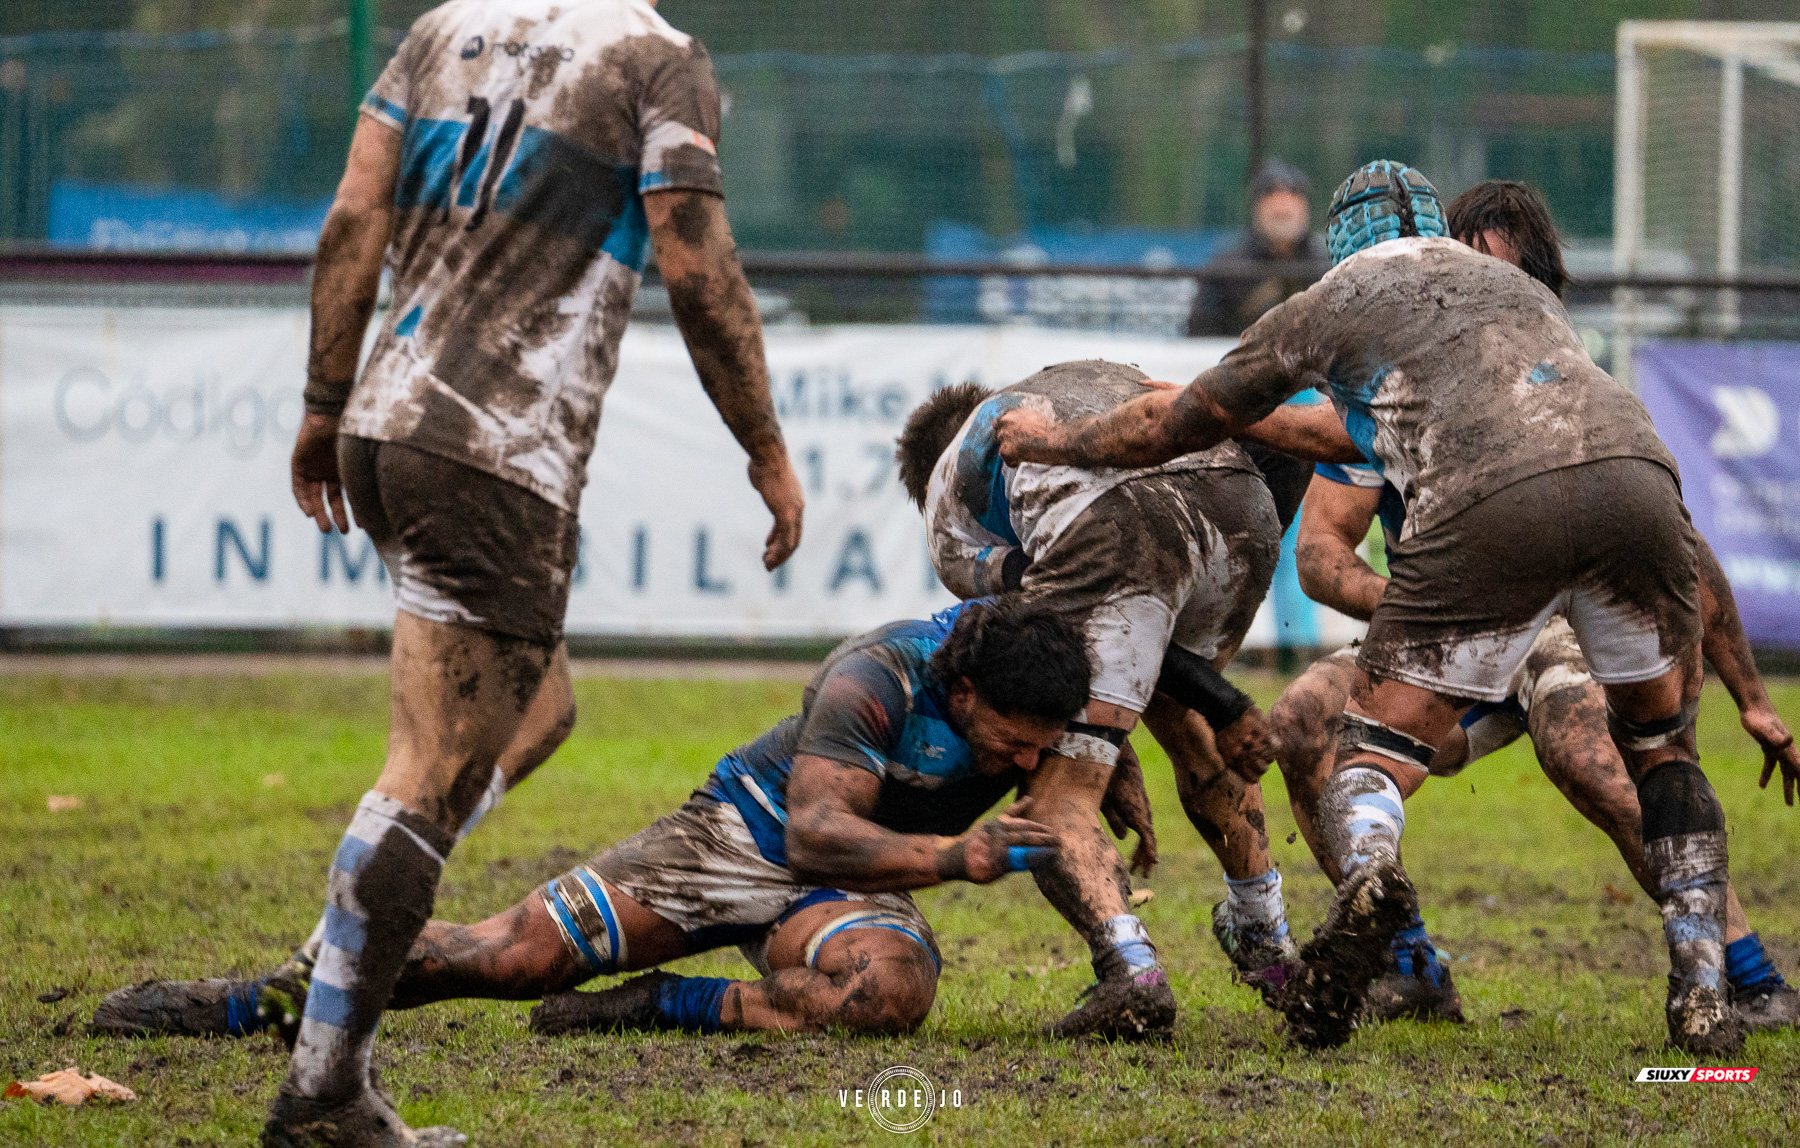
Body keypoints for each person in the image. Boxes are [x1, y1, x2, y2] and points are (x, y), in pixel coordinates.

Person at [992, 159, 1800, 1054]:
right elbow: (1333, 520)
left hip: (1497, 541)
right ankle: (1676, 996)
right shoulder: (1517, 306)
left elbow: (1175, 428)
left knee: (1420, 756)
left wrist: (1063, 436)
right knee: (1651, 749)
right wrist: (1751, 699)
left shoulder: (1337, 308)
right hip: (1615, 499)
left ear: (1339, 255)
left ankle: (1729, 964)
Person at [271, 0, 804, 1142]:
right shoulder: (658, 60)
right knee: (426, 769)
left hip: (386, 421)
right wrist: (765, 447)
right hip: (496, 451)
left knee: (527, 713)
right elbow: (696, 267)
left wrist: (325, 405)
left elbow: (353, 216)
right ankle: (321, 1085)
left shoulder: (437, 32)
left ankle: (338, 1040)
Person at [94, 600, 1142, 1042]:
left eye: (1038, 744)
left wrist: (1116, 766)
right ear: (960, 692)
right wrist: (955, 855)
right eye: (1009, 740)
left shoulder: (1029, 672)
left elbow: (1123, 687)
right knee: (504, 960)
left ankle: (660, 1003)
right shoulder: (875, 676)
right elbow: (816, 832)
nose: (1021, 762)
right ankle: (248, 1005)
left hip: (851, 891)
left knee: (886, 992)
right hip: (747, 832)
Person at [1261, 179, 1800, 1032]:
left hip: (1557, 619)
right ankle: (1407, 960)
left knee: (1596, 756)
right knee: (1297, 724)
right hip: (1444, 633)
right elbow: (1322, 555)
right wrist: (1417, 605)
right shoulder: (1387, 383)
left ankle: (1746, 972)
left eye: (1493, 278)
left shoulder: (1565, 380)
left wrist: (1756, 700)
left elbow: (1682, 552)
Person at [894, 361, 1349, 1037]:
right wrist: (1207, 704)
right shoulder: (1064, 386)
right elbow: (1135, 643)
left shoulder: (949, 501)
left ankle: (1130, 970)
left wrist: (1107, 747)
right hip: (1242, 509)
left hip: (1124, 526)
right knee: (1187, 725)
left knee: (1057, 799)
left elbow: (1081, 619)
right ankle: (1265, 935)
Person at [1186, 158, 1327, 338]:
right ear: (1256, 208)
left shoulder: (1325, 267)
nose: (1282, 204)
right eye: (1271, 195)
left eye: (1293, 195)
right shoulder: (1226, 271)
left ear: (1305, 207)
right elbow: (1200, 335)